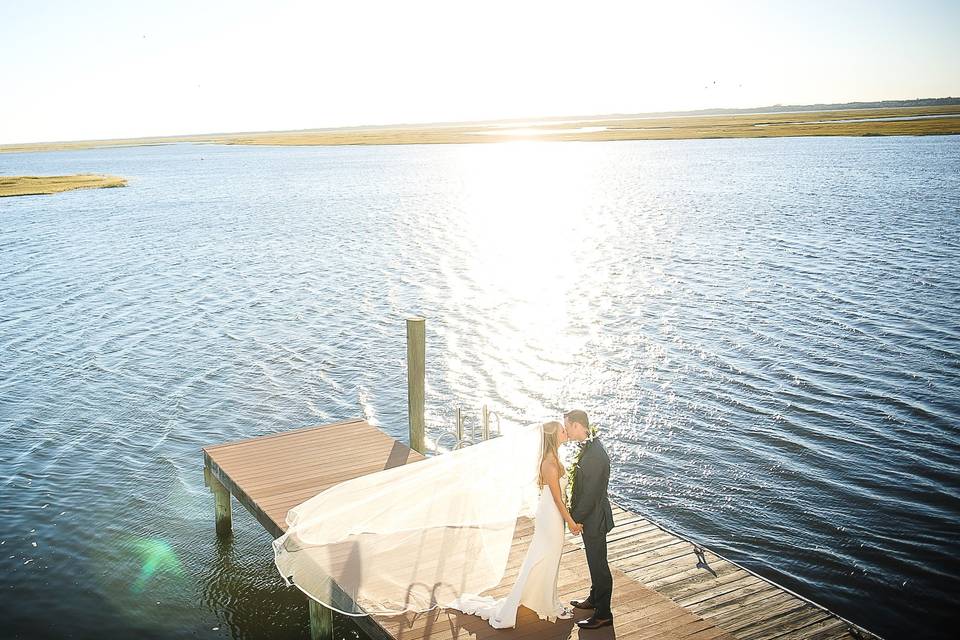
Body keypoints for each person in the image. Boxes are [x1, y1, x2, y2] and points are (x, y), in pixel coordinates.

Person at [449, 420, 582, 627]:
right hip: (551, 515)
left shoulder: (555, 457)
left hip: (552, 514)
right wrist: (572, 523)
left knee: (549, 557)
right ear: (553, 436)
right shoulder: (549, 462)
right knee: (546, 555)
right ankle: (548, 603)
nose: (566, 432)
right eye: (562, 431)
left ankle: (546, 599)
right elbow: (557, 499)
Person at [565, 409, 615, 629]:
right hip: (591, 517)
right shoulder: (591, 445)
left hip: (594, 519)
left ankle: (604, 614)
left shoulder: (595, 455)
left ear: (578, 425)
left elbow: (590, 495)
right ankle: (595, 600)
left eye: (567, 426)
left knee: (600, 566)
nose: (566, 431)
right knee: (594, 563)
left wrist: (573, 519)